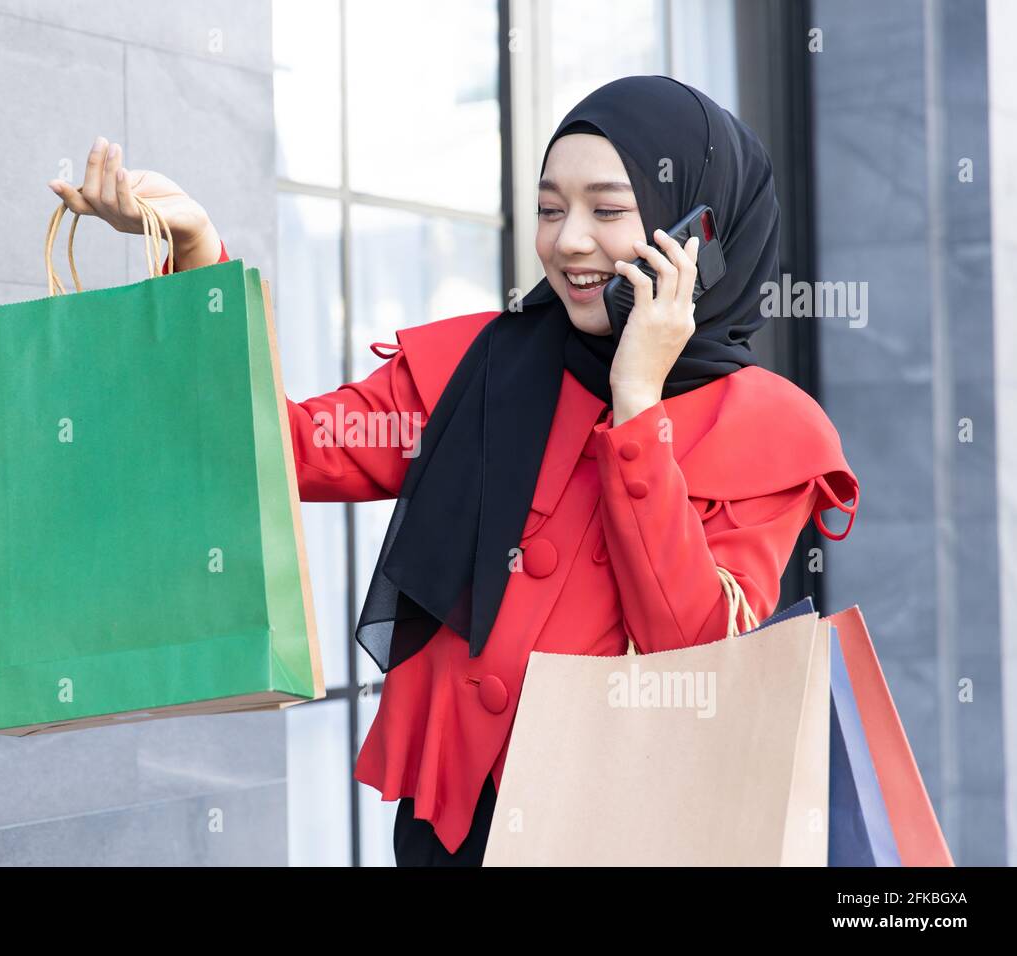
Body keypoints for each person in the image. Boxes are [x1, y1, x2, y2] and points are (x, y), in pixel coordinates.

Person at [47, 74, 861, 867]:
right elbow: (276, 448)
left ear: (701, 239)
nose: (568, 240)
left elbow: (692, 648)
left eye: (607, 210)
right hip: (454, 834)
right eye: (549, 208)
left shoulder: (768, 430)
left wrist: (639, 400)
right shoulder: (472, 366)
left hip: (630, 831)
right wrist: (195, 253)